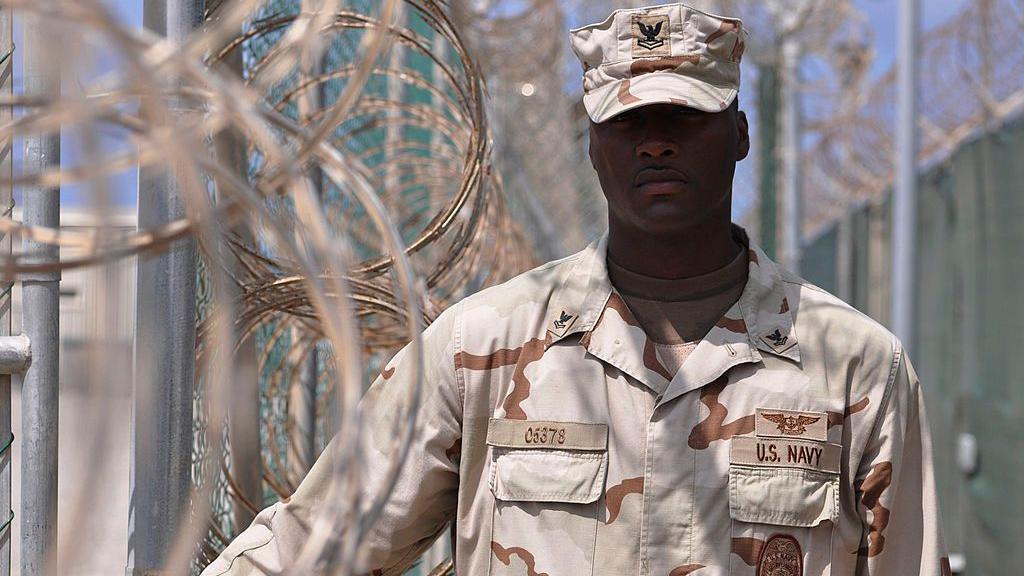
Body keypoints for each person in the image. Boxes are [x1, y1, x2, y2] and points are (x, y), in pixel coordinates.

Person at [203, 3, 950, 575]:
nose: (657, 141)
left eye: (686, 118)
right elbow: (318, 544)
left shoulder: (853, 367)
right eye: (629, 123)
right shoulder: (483, 352)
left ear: (740, 136)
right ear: (591, 145)